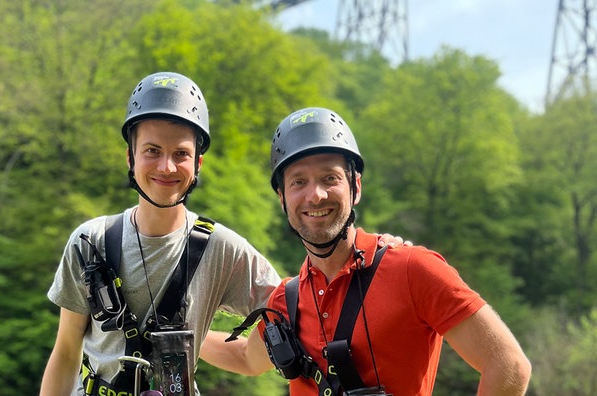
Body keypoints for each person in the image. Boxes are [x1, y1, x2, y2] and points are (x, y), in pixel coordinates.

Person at [39, 74, 403, 396]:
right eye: (152, 151)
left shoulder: (220, 249)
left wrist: (380, 257)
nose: (166, 166)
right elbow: (67, 351)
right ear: (130, 157)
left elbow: (301, 305)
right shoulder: (91, 242)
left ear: (197, 163)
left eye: (180, 153)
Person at [200, 107, 532, 395]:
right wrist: (182, 337)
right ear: (283, 199)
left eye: (329, 178)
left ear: (355, 187)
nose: (315, 195)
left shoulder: (413, 270)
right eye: (298, 182)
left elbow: (509, 366)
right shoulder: (284, 302)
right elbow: (245, 357)